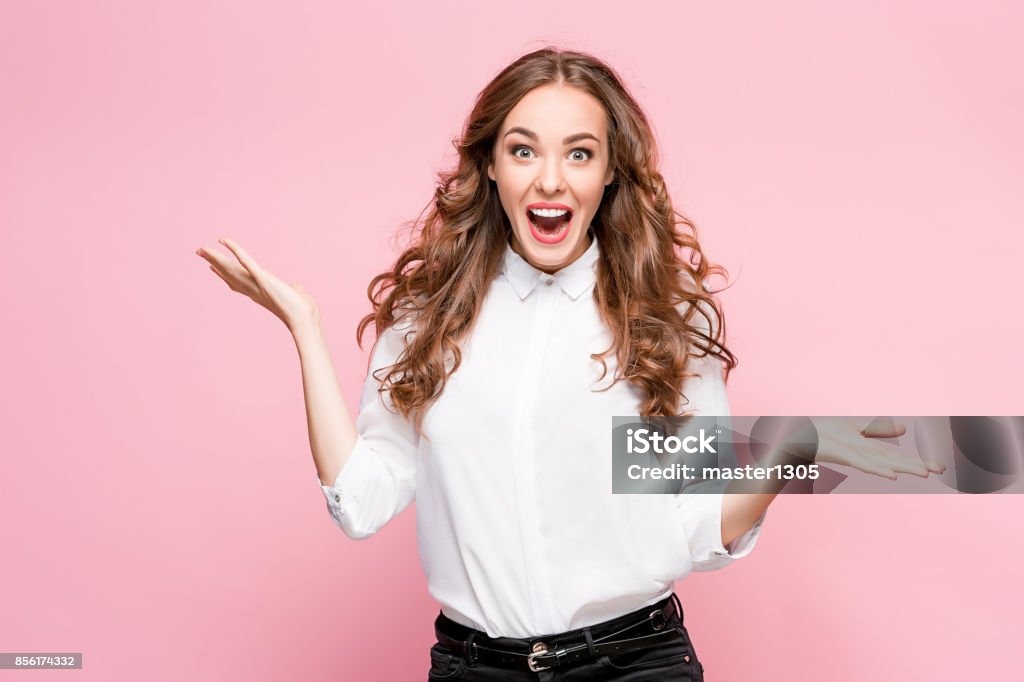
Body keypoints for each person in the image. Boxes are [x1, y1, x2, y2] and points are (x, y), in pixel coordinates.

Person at [196, 47, 945, 681]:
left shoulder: (663, 320)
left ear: (610, 173)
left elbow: (688, 526)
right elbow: (361, 503)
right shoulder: (428, 321)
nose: (550, 179)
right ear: (490, 166)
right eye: (524, 150)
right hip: (471, 667)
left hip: (635, 662)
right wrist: (304, 326)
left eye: (579, 153)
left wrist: (789, 455)